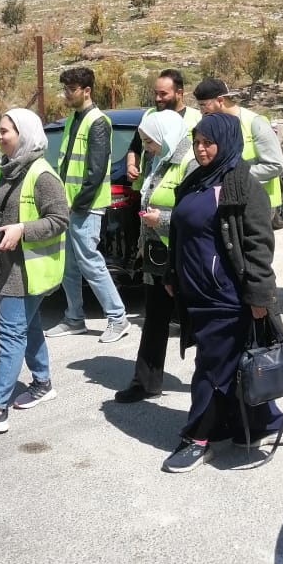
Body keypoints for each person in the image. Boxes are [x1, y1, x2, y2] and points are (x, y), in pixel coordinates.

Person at [162, 112, 283, 473]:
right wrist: (172, 271)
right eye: (198, 142)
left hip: (227, 297)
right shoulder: (197, 179)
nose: (201, 149)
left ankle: (198, 438)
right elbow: (181, 232)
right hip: (196, 294)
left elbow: (258, 247)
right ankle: (264, 423)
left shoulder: (241, 184)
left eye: (208, 143)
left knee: (211, 368)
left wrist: (259, 298)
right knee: (230, 364)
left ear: (227, 142)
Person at [0, 108, 69, 434]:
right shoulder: (6, 171)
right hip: (7, 267)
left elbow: (60, 220)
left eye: (6, 131)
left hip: (29, 271)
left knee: (9, 334)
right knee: (29, 328)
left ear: (25, 135)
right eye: (0, 130)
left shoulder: (42, 174)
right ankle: (43, 383)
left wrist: (23, 230)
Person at [115, 110, 195, 403]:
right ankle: (145, 382)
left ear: (165, 136)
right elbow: (147, 200)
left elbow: (198, 215)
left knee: (198, 323)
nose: (146, 148)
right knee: (155, 320)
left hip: (186, 258)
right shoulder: (157, 159)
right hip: (157, 258)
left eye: (149, 142)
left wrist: (161, 221)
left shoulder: (191, 162)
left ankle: (217, 384)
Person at [46, 66, 128, 343]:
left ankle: (118, 318)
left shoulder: (98, 121)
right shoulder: (73, 119)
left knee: (91, 263)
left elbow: (94, 172)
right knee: (68, 265)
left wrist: (75, 204)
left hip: (85, 206)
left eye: (71, 89)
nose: (66, 94)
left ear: (86, 91)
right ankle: (74, 318)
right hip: (68, 206)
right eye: (65, 88)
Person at [192, 77, 283, 213]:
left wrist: (230, 177)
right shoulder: (212, 125)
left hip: (258, 205)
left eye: (204, 105)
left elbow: (275, 166)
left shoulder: (255, 123)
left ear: (220, 101)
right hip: (229, 202)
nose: (201, 111)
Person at [125, 68, 201, 187]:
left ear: (179, 93)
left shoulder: (197, 118)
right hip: (148, 189)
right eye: (156, 93)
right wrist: (131, 166)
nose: (157, 98)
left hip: (180, 188)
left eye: (163, 94)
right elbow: (135, 148)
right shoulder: (149, 116)